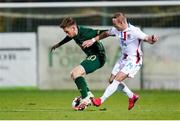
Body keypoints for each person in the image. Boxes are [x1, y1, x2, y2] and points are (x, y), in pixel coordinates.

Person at [82, 12, 158, 110]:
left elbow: (147, 38)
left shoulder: (134, 31)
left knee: (117, 79)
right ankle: (132, 96)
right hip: (123, 58)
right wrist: (92, 40)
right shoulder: (117, 30)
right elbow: (106, 33)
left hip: (134, 59)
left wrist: (153, 38)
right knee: (112, 81)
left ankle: (100, 100)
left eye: (115, 25)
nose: (114, 27)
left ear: (122, 22)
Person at [50, 17, 107, 111]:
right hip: (92, 56)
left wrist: (93, 40)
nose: (67, 34)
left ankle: (85, 99)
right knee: (73, 74)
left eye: (67, 31)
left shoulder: (87, 32)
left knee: (76, 73)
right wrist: (59, 44)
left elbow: (106, 32)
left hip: (98, 57)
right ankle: (88, 94)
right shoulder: (74, 33)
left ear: (73, 28)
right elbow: (69, 37)